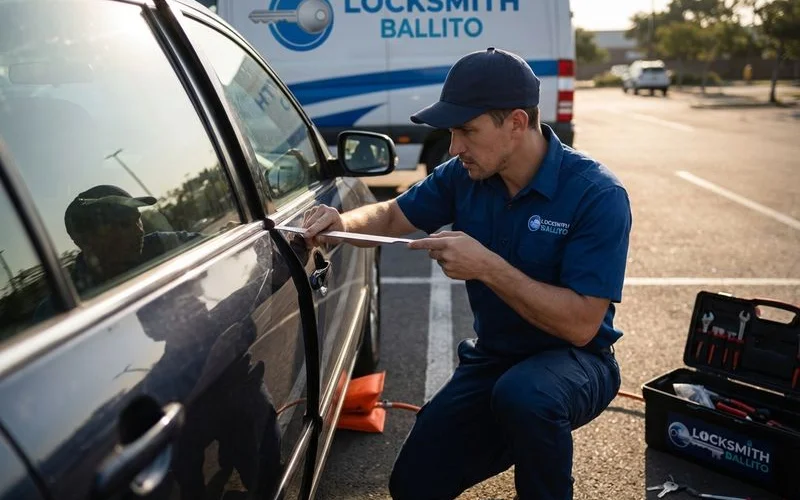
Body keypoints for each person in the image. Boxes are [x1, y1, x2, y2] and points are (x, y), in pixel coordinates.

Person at [303, 47, 632, 500]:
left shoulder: (596, 194)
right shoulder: (463, 174)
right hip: (496, 359)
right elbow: (392, 215)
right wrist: (340, 224)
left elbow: (580, 325)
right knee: (413, 484)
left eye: (467, 131)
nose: (455, 147)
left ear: (516, 123)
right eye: (452, 132)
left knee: (526, 395)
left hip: (577, 362)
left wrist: (488, 267)